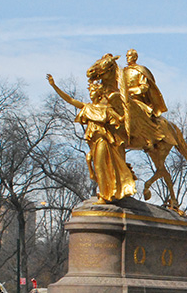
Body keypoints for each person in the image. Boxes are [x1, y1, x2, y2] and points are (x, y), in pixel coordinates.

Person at [47, 60, 137, 203]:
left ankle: (105, 194)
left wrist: (127, 112)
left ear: (99, 93)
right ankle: (106, 191)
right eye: (90, 91)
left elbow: (120, 119)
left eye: (94, 91)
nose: (91, 93)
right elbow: (70, 100)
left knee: (100, 166)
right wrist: (54, 86)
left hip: (103, 141)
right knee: (96, 164)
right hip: (93, 143)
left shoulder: (106, 110)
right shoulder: (87, 108)